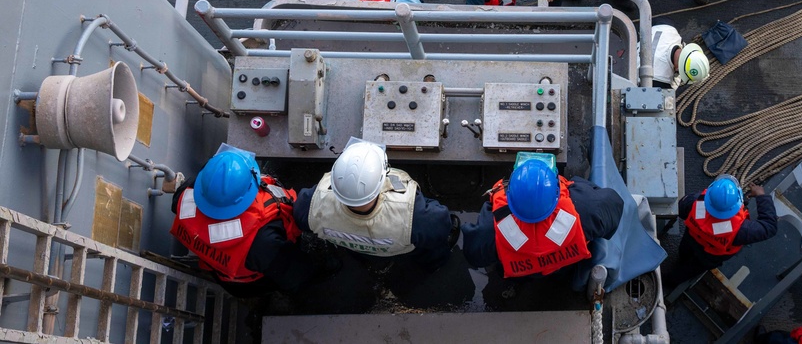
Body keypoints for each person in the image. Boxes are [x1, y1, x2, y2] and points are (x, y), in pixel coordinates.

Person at [169, 149, 322, 297]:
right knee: (299, 274)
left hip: (224, 273)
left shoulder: (183, 197)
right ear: (243, 198)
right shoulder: (263, 241)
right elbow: (294, 274)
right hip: (252, 282)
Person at [293, 139, 459, 272]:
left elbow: (302, 220)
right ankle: (433, 267)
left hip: (358, 249)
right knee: (433, 249)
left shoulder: (308, 206)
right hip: (400, 250)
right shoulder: (418, 217)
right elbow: (441, 225)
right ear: (382, 180)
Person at [461, 156, 624, 278]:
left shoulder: (490, 232)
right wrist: (579, 188)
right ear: (556, 193)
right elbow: (615, 205)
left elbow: (473, 255)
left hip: (523, 275)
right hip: (564, 270)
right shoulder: (590, 210)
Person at [663, 175, 777, 289]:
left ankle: (679, 264)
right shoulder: (741, 230)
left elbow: (682, 208)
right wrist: (761, 196)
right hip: (710, 257)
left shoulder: (694, 202)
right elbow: (769, 227)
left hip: (691, 239)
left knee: (684, 253)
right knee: (691, 269)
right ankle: (672, 281)